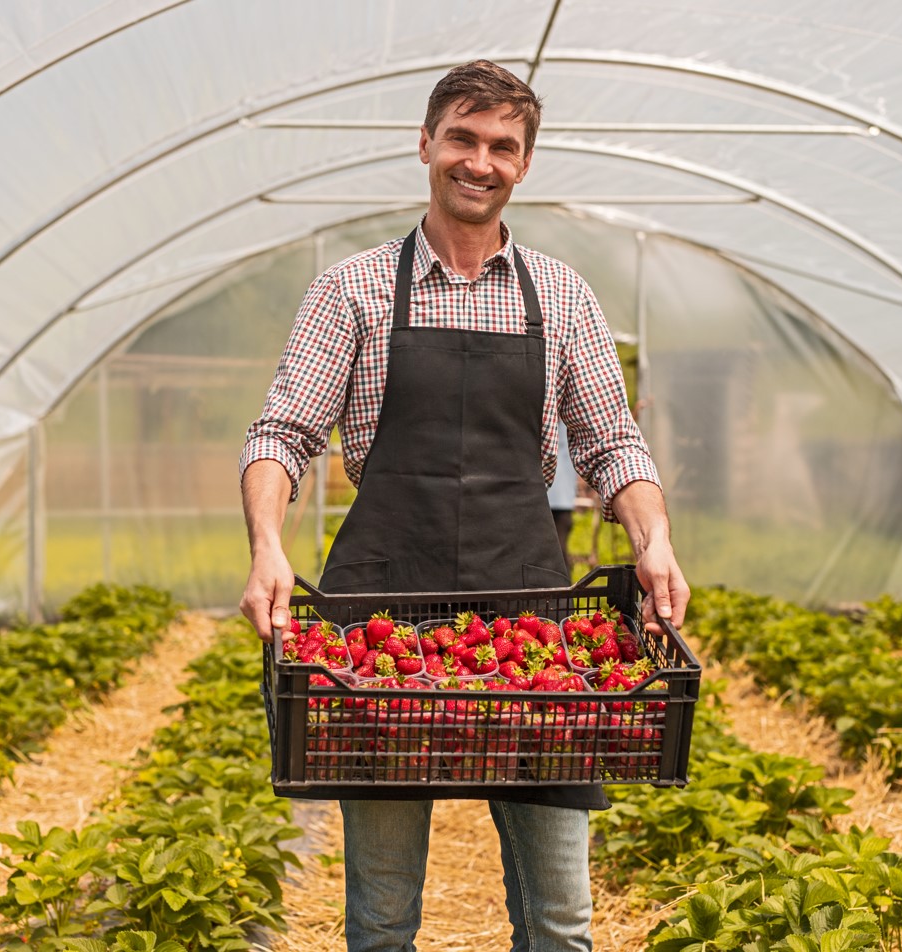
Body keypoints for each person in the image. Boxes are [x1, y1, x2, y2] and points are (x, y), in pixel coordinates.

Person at [238, 60, 689, 952]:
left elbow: (611, 441)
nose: (479, 162)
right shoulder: (354, 289)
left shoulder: (560, 296)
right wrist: (265, 544)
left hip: (529, 616)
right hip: (382, 622)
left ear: (523, 165)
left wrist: (656, 537)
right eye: (462, 139)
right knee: (379, 914)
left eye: (501, 147)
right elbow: (282, 433)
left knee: (560, 917)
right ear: (426, 145)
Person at [548, 425, 579, 577]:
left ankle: (565, 596)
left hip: (560, 501)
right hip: (550, 498)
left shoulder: (568, 425)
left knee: (559, 553)